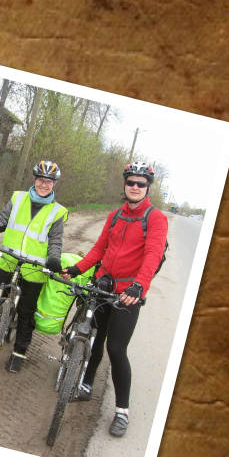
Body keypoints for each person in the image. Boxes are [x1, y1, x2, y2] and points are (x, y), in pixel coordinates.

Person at [62, 162, 168, 437]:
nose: (135, 187)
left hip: (128, 295)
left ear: (148, 188)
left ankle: (122, 410)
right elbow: (100, 247)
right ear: (124, 184)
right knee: (93, 337)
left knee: (117, 350)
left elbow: (153, 255)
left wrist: (138, 286)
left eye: (141, 184)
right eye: (131, 182)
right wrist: (79, 268)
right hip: (103, 284)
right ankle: (85, 385)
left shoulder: (155, 218)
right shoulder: (115, 215)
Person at [0, 160, 69, 373]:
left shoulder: (57, 212)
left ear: (54, 184)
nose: (43, 185)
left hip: (35, 269)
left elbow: (55, 241)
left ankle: (19, 352)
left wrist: (54, 259)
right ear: (34, 179)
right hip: (8, 260)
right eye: (40, 180)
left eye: (49, 181)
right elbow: (0, 222)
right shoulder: (18, 198)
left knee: (27, 312)